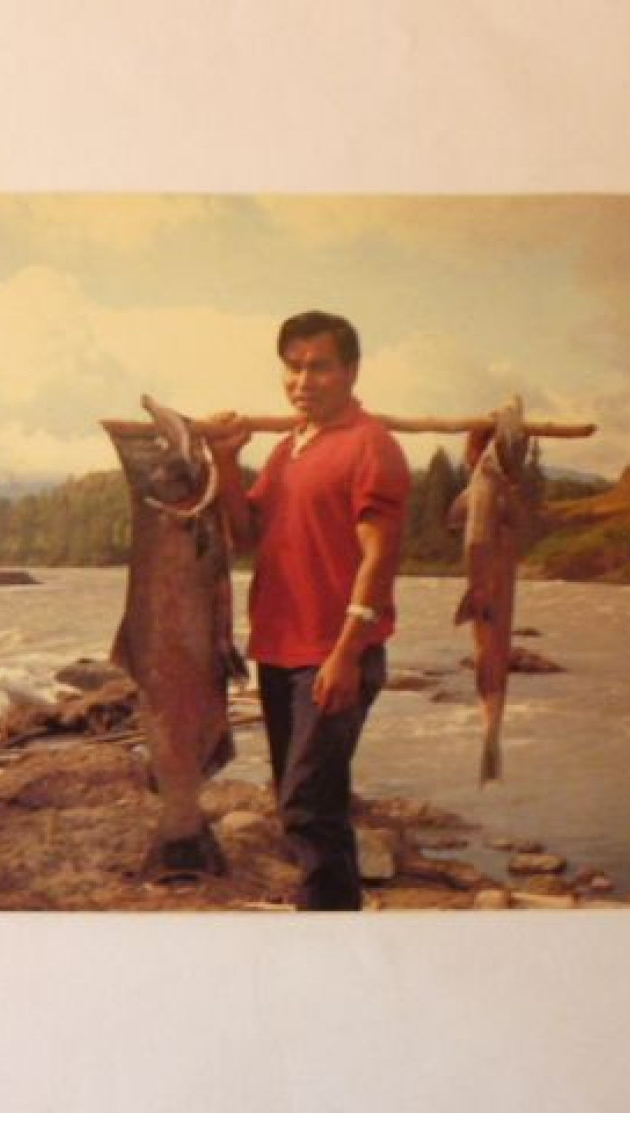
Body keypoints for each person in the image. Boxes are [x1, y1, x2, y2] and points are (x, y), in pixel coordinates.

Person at [210, 311, 411, 911]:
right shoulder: (288, 448)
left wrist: (347, 652)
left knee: (306, 808)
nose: (304, 380)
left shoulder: (371, 445)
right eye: (293, 367)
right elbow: (244, 532)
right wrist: (225, 460)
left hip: (332, 654)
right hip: (278, 650)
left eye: (319, 366)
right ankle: (334, 924)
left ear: (350, 370)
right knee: (309, 804)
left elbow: (380, 557)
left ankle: (327, 938)